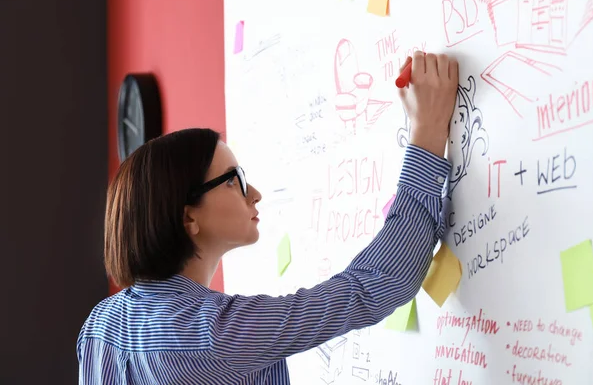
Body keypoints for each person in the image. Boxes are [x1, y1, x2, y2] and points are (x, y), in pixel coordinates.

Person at [77, 51, 459, 384]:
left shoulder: (98, 326)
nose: (254, 194)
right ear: (188, 218)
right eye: (235, 180)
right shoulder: (216, 333)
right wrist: (426, 136)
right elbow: (370, 288)